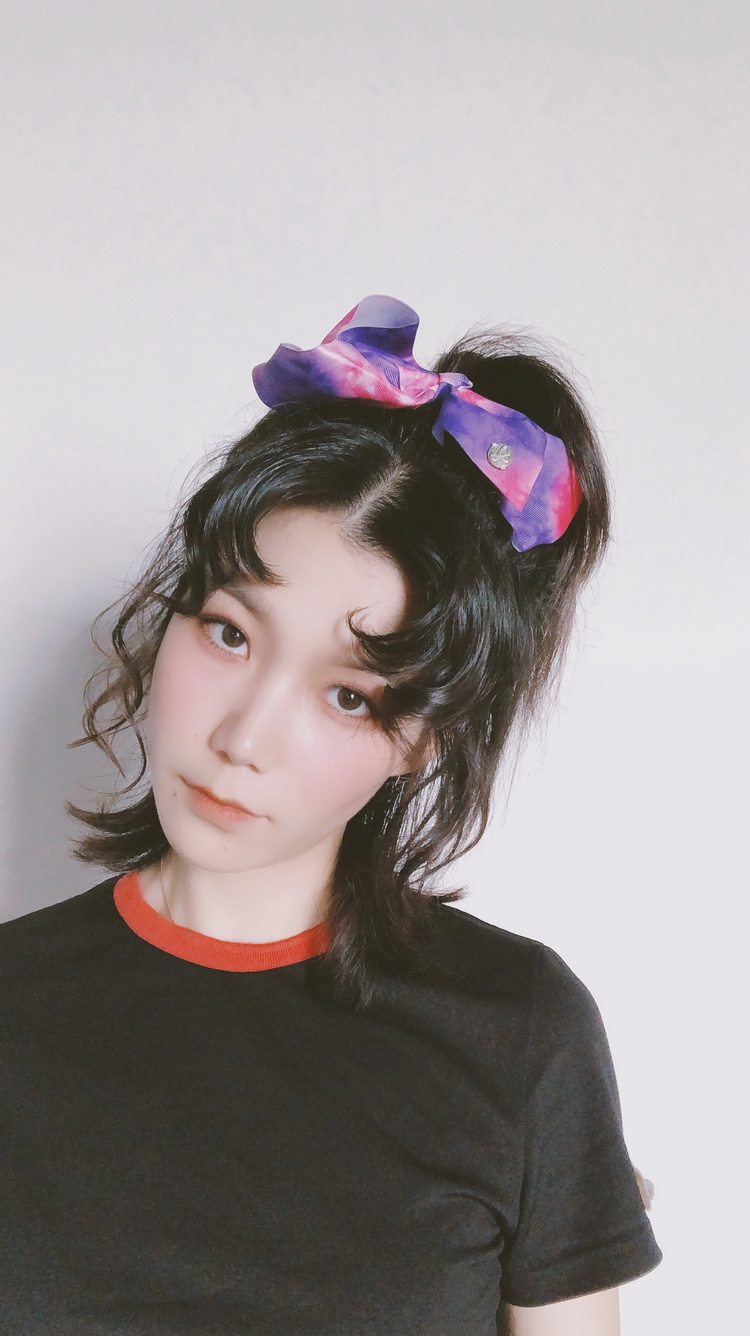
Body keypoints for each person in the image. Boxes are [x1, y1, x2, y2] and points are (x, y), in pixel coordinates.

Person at [0, 295, 662, 1335]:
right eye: (229, 633)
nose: (244, 736)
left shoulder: (522, 1032)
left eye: (348, 694)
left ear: (423, 737)